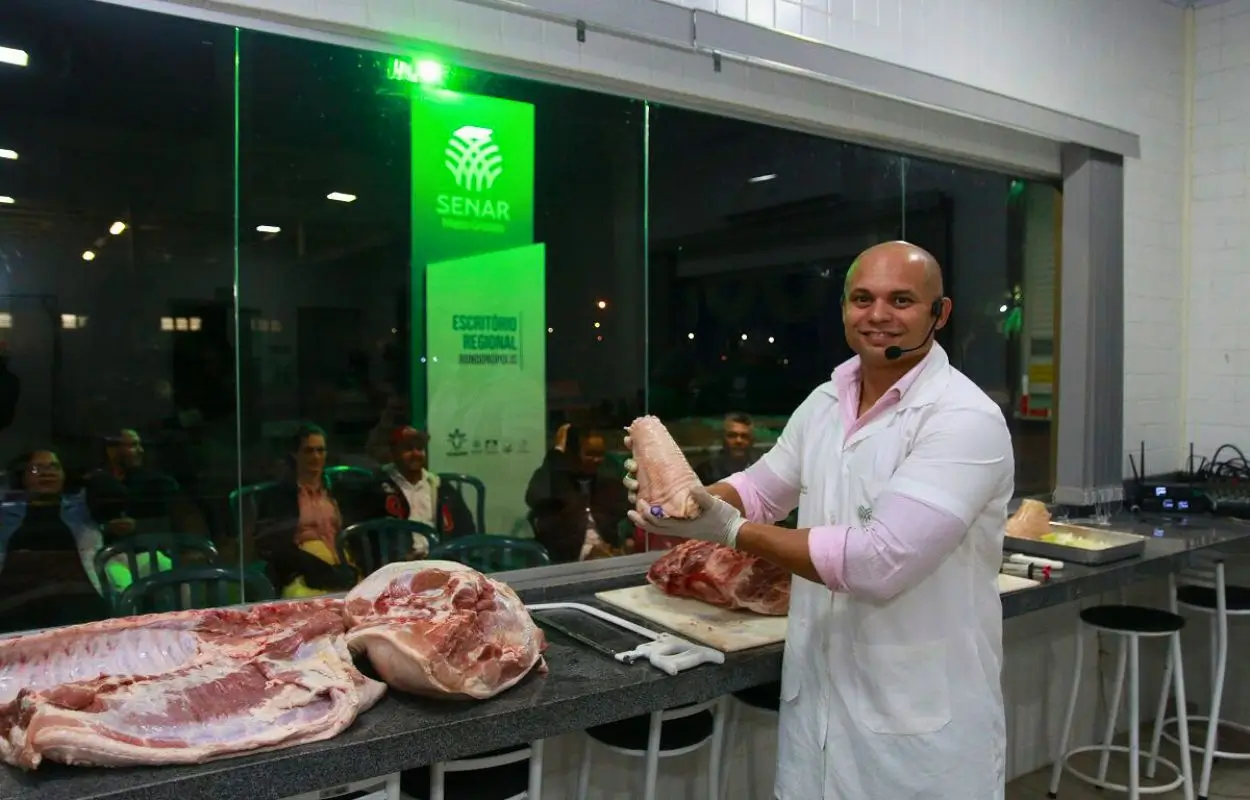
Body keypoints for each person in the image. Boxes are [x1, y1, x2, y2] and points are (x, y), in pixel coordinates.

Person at [625, 241, 1014, 800]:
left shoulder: (964, 418)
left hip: (919, 722)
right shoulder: (825, 402)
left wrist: (729, 531)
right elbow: (759, 490)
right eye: (862, 298)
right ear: (843, 308)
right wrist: (687, 501)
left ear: (940, 313)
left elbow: (880, 560)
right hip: (821, 710)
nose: (878, 315)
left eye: (901, 300)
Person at [254, 424, 356, 597]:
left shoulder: (337, 492)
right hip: (302, 575)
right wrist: (319, 570)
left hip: (344, 569)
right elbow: (273, 545)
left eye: (320, 450)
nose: (316, 457)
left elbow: (355, 534)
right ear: (295, 454)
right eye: (309, 451)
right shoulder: (279, 495)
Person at [351, 426, 476, 553]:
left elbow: (466, 529)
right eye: (408, 449)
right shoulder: (377, 489)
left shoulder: (442, 488)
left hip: (439, 561)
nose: (416, 454)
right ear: (393, 452)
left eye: (420, 448)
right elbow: (364, 537)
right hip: (396, 565)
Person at [525, 423, 631, 563]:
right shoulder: (558, 479)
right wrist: (557, 453)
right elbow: (535, 497)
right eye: (590, 454)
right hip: (569, 559)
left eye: (600, 454)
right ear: (572, 454)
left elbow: (628, 511)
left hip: (607, 555)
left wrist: (628, 538)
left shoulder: (606, 480)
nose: (597, 460)